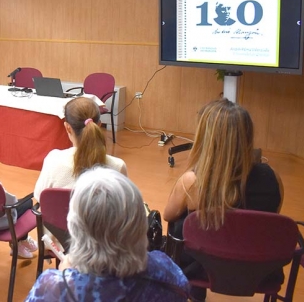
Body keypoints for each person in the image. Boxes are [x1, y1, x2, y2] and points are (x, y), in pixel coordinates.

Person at [163, 98, 282, 301]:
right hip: (259, 269)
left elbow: (168, 215)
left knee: (177, 226)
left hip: (204, 269)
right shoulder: (272, 178)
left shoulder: (193, 182)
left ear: (205, 139)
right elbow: (269, 218)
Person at [26, 167, 189, 302]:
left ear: (74, 228)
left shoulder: (51, 288)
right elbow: (184, 289)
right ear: (140, 224)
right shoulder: (167, 273)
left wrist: (65, 277)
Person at [34, 97, 127, 201]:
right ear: (99, 125)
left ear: (67, 128)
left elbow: (39, 197)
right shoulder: (118, 166)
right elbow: (122, 205)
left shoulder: (53, 159)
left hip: (59, 217)